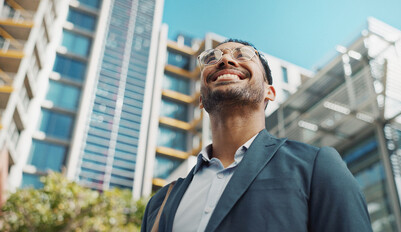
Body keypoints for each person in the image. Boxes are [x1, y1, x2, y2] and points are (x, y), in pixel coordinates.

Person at [141, 39, 373, 232]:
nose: (225, 60)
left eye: (243, 54)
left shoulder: (316, 166)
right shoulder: (160, 203)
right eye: (212, 58)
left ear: (269, 92)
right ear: (201, 99)